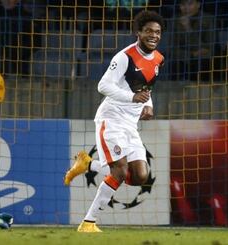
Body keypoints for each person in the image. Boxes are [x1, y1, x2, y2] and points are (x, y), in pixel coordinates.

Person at [64, 10, 165, 233]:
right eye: (148, 30)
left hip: (131, 124)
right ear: (138, 32)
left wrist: (149, 105)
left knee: (140, 176)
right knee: (119, 171)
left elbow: (147, 86)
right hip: (111, 119)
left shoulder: (158, 58)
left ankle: (88, 164)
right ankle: (88, 223)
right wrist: (131, 97)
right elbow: (103, 86)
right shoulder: (125, 57)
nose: (153, 35)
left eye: (157, 32)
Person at [171, 0, 215, 81]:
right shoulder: (175, 20)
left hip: (202, 61)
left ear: (198, 5)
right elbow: (172, 48)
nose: (186, 7)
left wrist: (188, 29)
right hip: (182, 60)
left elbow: (209, 47)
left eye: (190, 3)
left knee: (203, 63)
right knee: (176, 64)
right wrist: (192, 54)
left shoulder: (208, 19)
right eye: (183, 4)